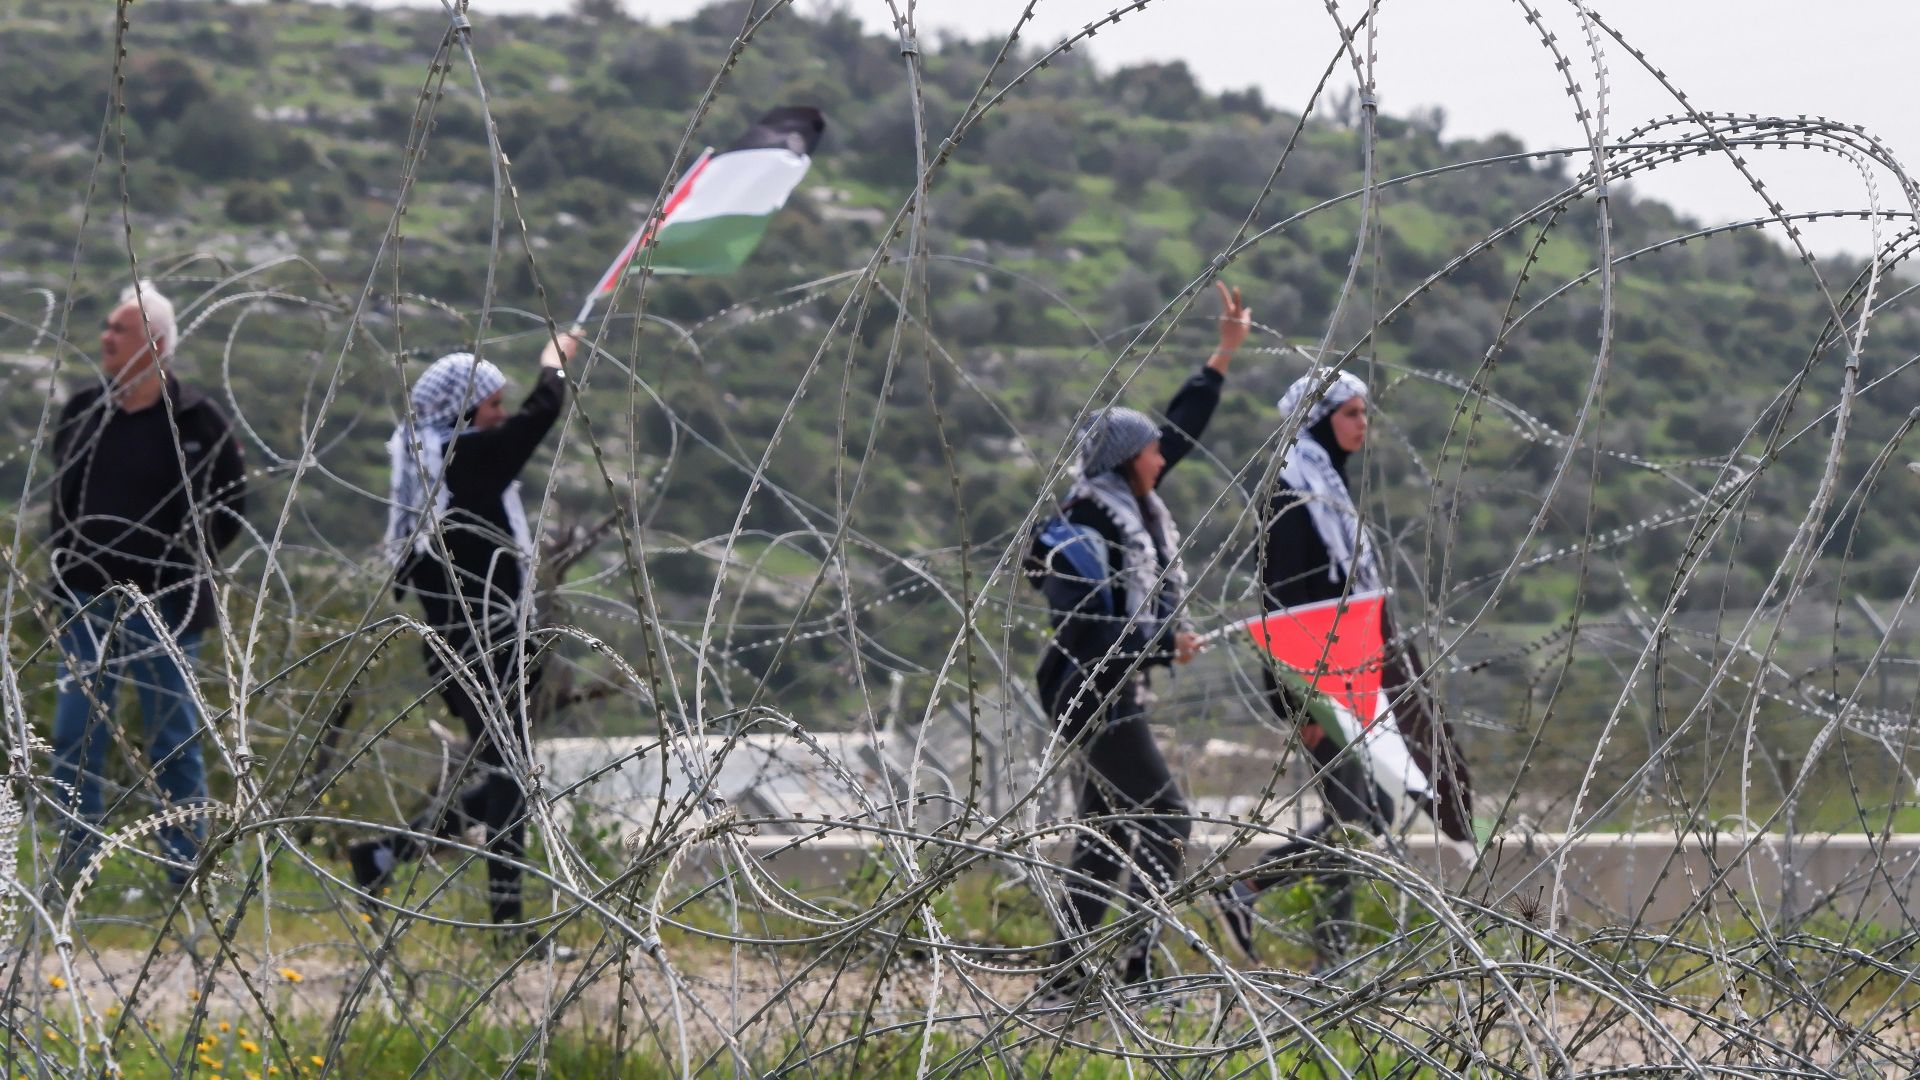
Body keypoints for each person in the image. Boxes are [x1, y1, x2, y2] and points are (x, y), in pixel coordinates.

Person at [1031, 283, 1250, 995]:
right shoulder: (1088, 524)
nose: (1164, 454)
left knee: (1106, 837)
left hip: (1114, 687)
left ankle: (1069, 975)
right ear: (1129, 459)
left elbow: (1181, 430)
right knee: (1168, 821)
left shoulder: (1133, 504)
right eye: (1152, 448)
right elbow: (1090, 626)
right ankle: (1135, 964)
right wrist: (1161, 646)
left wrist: (1222, 355)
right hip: (1093, 692)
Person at [1214, 368, 1472, 966]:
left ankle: (1274, 907)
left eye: (1364, 412)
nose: (1364, 424)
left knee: (1367, 812)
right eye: (1351, 413)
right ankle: (1322, 949)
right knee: (1353, 816)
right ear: (1318, 418)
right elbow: (1282, 598)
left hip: (1362, 671)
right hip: (1321, 679)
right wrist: (1296, 698)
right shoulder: (1292, 494)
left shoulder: (1326, 486)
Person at [348, 329, 577, 936]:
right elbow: (542, 412)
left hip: (476, 646)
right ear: (463, 412)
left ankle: (382, 857)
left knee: (508, 777)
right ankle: (507, 923)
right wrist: (553, 363)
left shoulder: (437, 473)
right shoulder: (466, 461)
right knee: (510, 780)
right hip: (484, 647)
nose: (500, 417)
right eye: (491, 405)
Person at [48, 280, 248, 887]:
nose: (106, 337)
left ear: (155, 345)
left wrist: (186, 559)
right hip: (87, 597)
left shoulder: (196, 419)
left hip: (166, 603)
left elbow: (232, 503)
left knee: (171, 739)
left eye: (120, 330)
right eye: (108, 327)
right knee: (74, 737)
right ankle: (74, 868)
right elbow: (63, 492)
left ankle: (184, 868)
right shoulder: (86, 409)